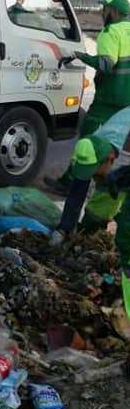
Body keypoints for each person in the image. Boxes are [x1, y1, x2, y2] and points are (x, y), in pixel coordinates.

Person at [51, 106, 130, 320]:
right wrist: (64, 229)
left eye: (95, 173)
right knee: (96, 213)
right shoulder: (93, 145)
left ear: (111, 159)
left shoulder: (122, 156)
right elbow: (77, 192)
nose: (91, 178)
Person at [48, 0, 130, 193]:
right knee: (118, 141)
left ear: (115, 12)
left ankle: (70, 182)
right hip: (126, 99)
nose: (103, 13)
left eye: (106, 9)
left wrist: (80, 55)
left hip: (108, 98)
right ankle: (109, 184)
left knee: (87, 141)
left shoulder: (110, 32)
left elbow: (106, 65)